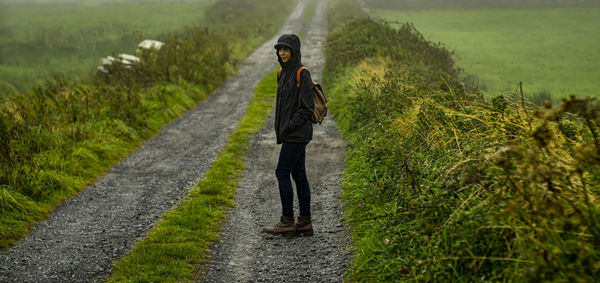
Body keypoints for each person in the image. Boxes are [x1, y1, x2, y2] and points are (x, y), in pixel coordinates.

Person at [263, 34, 315, 237]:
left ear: (294, 51)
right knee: (299, 175)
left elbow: (307, 109)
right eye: (279, 49)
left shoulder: (302, 74)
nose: (282, 53)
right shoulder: (281, 73)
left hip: (297, 134)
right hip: (292, 133)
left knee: (282, 172)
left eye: (286, 49)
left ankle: (287, 221)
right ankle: (304, 223)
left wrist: (289, 127)